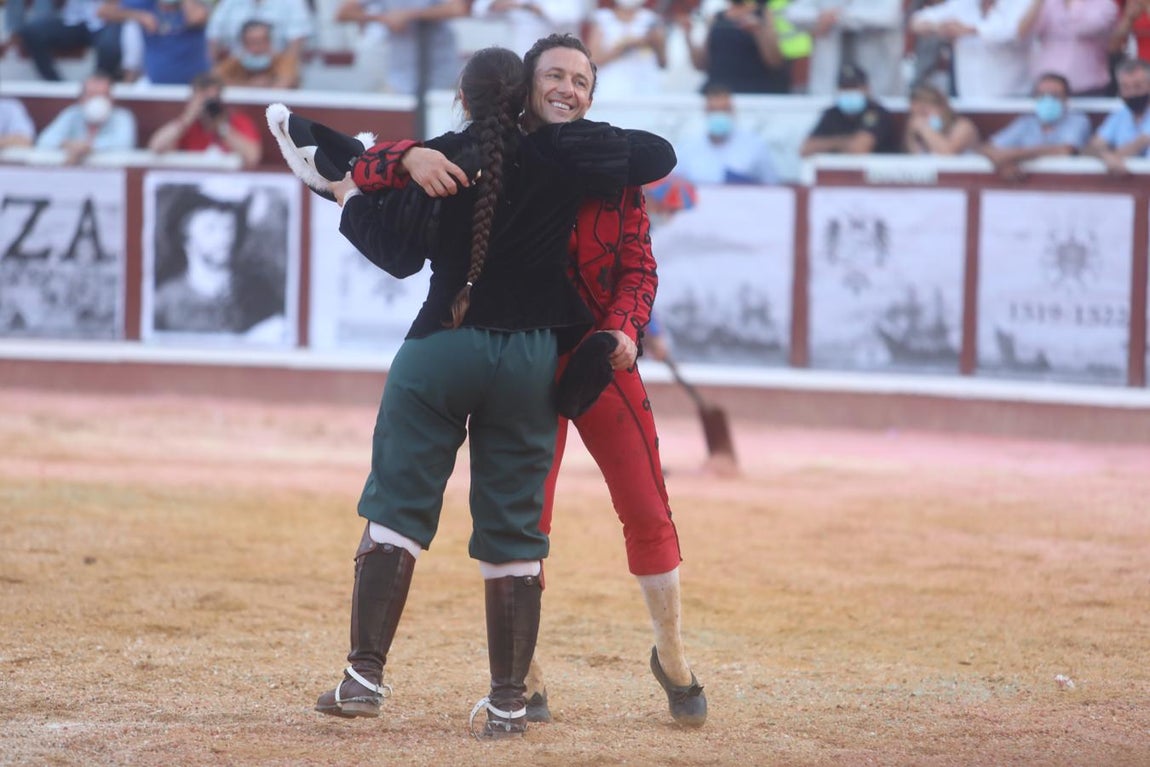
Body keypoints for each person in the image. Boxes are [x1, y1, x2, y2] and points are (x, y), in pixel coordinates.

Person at [323, 31, 707, 729]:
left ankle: (673, 657)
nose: (567, 89)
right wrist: (408, 152)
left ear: (593, 97)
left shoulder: (603, 161)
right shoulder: (499, 153)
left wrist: (622, 329)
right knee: (524, 517)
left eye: (581, 82)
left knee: (645, 507)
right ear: (526, 85)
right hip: (529, 360)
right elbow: (393, 183)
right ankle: (523, 683)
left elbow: (639, 266)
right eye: (554, 76)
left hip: (594, 358)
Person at [152, 185, 285, 337]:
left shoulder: (260, 293)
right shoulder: (164, 304)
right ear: (186, 237)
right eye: (211, 228)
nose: (224, 238)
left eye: (229, 228)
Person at [334, 0, 467, 94]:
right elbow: (343, 12)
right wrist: (383, 18)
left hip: (441, 74)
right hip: (399, 78)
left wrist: (408, 15)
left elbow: (458, 8)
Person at [980, 72, 1093, 181]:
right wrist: (1004, 163)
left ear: (1066, 99)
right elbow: (988, 147)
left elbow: (1066, 150)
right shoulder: (1026, 122)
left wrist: (1011, 155)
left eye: (1055, 96)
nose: (1048, 100)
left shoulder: (1077, 120)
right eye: (1042, 95)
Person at [908, 0, 1032, 99]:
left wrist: (970, 30)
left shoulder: (1020, 2)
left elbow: (1015, 30)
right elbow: (917, 21)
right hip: (968, 96)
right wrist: (939, 27)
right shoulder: (964, 3)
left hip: (1012, 96)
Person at [783, 0, 904, 96]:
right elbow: (792, 13)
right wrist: (821, 16)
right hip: (828, 87)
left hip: (876, 87)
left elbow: (888, 16)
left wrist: (839, 16)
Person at [147, 73, 262, 168]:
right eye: (204, 97)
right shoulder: (187, 126)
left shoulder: (238, 121)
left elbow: (252, 157)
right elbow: (156, 147)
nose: (208, 103)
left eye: (213, 98)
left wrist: (221, 127)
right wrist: (187, 118)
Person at [675, 82, 778, 183]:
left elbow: (771, 184)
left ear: (733, 111)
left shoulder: (754, 145)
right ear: (706, 112)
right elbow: (674, 184)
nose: (719, 115)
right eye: (714, 110)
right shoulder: (688, 148)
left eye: (724, 110)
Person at [680, 0, 790, 94]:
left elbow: (775, 62)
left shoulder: (764, 14)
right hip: (719, 93)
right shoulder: (716, 18)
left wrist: (758, 32)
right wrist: (687, 35)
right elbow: (701, 64)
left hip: (753, 92)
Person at [1016, 0, 1117, 97]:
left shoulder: (1104, 4)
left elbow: (1085, 28)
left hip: (1087, 88)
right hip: (1049, 87)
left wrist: (1073, 3)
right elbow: (1025, 32)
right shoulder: (1048, 3)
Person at [35, 70, 137, 164]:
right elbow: (44, 141)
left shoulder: (122, 117)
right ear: (81, 98)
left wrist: (87, 148)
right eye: (91, 95)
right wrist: (66, 144)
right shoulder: (72, 114)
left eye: (102, 95)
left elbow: (123, 145)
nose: (96, 101)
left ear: (111, 99)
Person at [99, 0, 211, 85]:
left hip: (193, 86)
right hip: (156, 84)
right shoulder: (147, 5)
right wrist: (139, 16)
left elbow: (196, 17)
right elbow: (104, 11)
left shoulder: (193, 6)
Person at [799, 62, 897, 157]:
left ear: (866, 89)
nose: (849, 92)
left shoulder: (877, 113)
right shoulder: (832, 113)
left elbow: (859, 148)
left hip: (878, 172)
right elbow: (805, 149)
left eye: (853, 88)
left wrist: (827, 144)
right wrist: (842, 142)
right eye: (845, 88)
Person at [16, 0, 123, 81]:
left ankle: (97, 86)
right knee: (32, 30)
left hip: (105, 22)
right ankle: (54, 83)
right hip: (72, 21)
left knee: (110, 46)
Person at [585, 0, 667, 99]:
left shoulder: (652, 19)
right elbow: (594, 59)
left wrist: (657, 42)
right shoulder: (603, 18)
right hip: (611, 89)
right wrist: (626, 46)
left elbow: (663, 63)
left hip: (646, 89)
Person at [1085, 57, 1150, 176]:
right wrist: (1105, 156)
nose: (1132, 93)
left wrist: (1111, 157)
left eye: (1138, 86)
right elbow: (1092, 147)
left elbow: (1141, 143)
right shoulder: (1120, 115)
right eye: (1126, 87)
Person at [205, 0, 313, 64]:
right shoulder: (229, 2)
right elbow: (212, 39)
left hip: (278, 72)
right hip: (237, 73)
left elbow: (295, 47)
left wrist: (283, 75)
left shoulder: (293, 2)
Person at [469, 0, 584, 56]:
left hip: (553, 53)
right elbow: (479, 10)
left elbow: (572, 15)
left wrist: (528, 7)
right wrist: (497, 4)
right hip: (519, 56)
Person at [213, 19, 300, 87]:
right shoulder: (234, 63)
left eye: (261, 42)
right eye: (252, 42)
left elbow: (285, 83)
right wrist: (250, 85)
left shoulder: (284, 61)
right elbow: (214, 80)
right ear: (243, 44)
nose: (257, 48)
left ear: (269, 42)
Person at [902, 82, 979, 155]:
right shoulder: (917, 130)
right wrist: (911, 136)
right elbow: (917, 159)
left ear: (942, 107)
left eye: (924, 112)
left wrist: (924, 128)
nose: (919, 119)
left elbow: (948, 153)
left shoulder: (963, 126)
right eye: (916, 114)